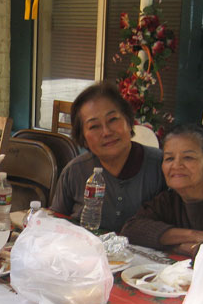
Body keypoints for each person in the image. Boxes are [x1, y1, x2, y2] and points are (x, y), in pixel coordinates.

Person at [121, 123, 203, 257]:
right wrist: (194, 235)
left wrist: (183, 246)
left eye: (188, 157)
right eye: (169, 158)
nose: (176, 165)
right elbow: (131, 229)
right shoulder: (169, 199)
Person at [50, 81, 166, 231]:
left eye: (113, 120)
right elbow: (54, 226)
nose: (106, 132)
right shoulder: (74, 171)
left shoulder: (161, 166)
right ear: (83, 138)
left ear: (129, 122)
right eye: (94, 126)